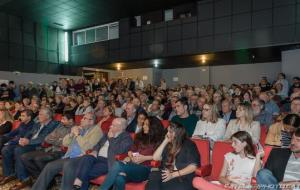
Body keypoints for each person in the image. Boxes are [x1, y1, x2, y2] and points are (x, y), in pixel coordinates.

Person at [31, 112, 103, 190]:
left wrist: (77, 135)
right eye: (82, 118)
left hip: (82, 158)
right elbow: (65, 143)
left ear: (91, 121)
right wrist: (71, 134)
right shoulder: (79, 128)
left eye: (84, 118)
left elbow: (87, 147)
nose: (81, 120)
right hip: (69, 156)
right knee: (49, 166)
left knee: (68, 165)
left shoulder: (97, 130)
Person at [99, 116, 165, 190]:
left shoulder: (160, 140)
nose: (144, 126)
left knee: (118, 164)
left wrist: (144, 158)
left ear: (153, 127)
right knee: (119, 178)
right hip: (132, 165)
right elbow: (131, 150)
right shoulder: (140, 136)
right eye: (144, 124)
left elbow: (160, 157)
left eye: (146, 125)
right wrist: (132, 156)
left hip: (145, 169)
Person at [0, 108, 59, 188]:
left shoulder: (53, 124)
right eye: (39, 114)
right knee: (6, 149)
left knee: (18, 150)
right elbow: (29, 133)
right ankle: (9, 174)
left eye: (41, 114)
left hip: (39, 145)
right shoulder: (38, 123)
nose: (38, 116)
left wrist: (28, 142)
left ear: (48, 116)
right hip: (30, 143)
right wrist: (24, 139)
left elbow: (43, 138)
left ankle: (24, 178)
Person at [69, 118, 133, 190]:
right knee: (86, 157)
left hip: (107, 161)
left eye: (113, 125)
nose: (110, 126)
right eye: (111, 124)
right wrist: (95, 151)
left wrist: (111, 138)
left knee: (86, 173)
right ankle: (79, 180)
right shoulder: (107, 133)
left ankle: (78, 180)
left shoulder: (126, 138)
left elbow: (119, 150)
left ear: (121, 127)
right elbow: (98, 144)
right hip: (97, 157)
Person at [194, 131, 264, 190]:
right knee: (196, 180)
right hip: (226, 186)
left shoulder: (255, 160)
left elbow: (256, 181)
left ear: (244, 143)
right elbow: (221, 177)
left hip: (242, 188)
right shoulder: (229, 156)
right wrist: (230, 184)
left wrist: (258, 157)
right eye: (232, 142)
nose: (232, 145)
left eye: (235, 142)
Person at [145, 122, 200, 190]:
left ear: (177, 133)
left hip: (181, 177)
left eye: (170, 132)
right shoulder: (169, 143)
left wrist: (173, 175)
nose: (167, 134)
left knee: (156, 184)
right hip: (167, 174)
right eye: (167, 131)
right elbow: (155, 157)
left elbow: (193, 166)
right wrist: (165, 141)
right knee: (153, 176)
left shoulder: (189, 145)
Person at [20, 113, 74, 179]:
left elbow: (65, 143)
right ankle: (39, 178)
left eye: (63, 119)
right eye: (61, 119)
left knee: (38, 159)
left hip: (60, 152)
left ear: (71, 120)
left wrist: (55, 139)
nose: (61, 121)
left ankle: (47, 180)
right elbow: (47, 138)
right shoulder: (60, 126)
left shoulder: (74, 129)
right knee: (24, 157)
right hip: (49, 148)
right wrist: (58, 139)